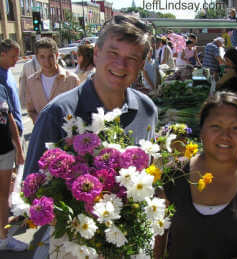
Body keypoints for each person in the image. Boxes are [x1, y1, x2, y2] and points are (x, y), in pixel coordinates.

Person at [24, 15, 158, 258]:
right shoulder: (58, 114)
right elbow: (32, 191)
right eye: (113, 53)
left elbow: (150, 180)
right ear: (96, 53)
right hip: (71, 247)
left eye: (132, 58)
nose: (121, 65)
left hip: (127, 245)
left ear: (141, 65)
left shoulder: (147, 111)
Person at [155, 91, 237, 259]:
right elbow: (158, 235)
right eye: (216, 126)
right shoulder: (175, 175)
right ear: (201, 132)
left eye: (236, 128)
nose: (225, 136)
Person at [25, 37, 80, 124]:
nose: (47, 62)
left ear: (57, 55)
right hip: (43, 134)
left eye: (50, 56)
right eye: (42, 57)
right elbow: (31, 110)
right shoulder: (31, 81)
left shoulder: (71, 79)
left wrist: (67, 123)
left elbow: (77, 109)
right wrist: (41, 123)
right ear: (37, 58)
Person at [0, 84, 27, 252]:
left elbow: (10, 118)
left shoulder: (1, 88)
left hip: (6, 151)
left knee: (3, 196)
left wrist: (18, 147)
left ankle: (4, 238)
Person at [0, 39, 22, 135]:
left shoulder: (8, 70)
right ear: (2, 55)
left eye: (18, 56)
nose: (17, 59)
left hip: (18, 127)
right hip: (9, 133)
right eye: (13, 57)